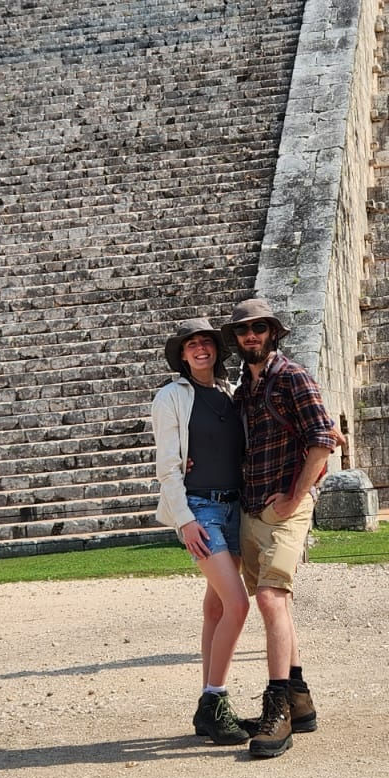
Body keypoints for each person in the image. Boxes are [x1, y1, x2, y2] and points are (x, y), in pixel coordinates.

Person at [221, 297, 336, 759]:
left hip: (285, 507)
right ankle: (301, 700)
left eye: (260, 328)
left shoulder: (292, 377)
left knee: (270, 598)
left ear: (273, 333)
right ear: (237, 339)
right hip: (252, 505)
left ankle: (278, 707)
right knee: (276, 605)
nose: (252, 336)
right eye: (245, 331)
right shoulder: (243, 391)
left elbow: (322, 439)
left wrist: (294, 498)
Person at [151, 317, 254, 746]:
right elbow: (168, 466)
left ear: (215, 349)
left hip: (235, 508)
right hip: (201, 510)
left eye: (206, 342)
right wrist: (184, 519)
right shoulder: (171, 397)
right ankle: (215, 698)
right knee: (238, 604)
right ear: (183, 354)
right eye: (191, 344)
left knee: (215, 608)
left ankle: (208, 708)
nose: (200, 349)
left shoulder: (231, 394)